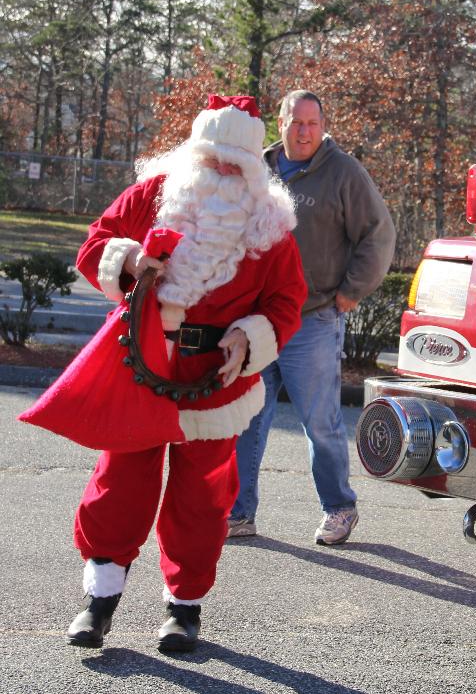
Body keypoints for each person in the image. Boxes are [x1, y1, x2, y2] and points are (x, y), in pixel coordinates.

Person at [47, 95, 306, 652]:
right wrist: (131, 262)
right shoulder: (152, 197)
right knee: (119, 486)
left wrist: (250, 336)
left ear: (252, 168)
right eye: (210, 160)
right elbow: (94, 245)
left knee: (202, 499)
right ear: (193, 156)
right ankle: (99, 602)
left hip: (217, 381)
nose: (218, 174)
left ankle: (183, 610)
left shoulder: (270, 225)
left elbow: (287, 301)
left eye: (231, 164)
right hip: (140, 370)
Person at [229, 89, 395, 545]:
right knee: (246, 420)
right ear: (279, 123)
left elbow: (379, 236)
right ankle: (239, 513)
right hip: (256, 323)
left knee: (320, 422)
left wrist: (348, 294)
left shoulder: (342, 172)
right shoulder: (255, 170)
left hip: (312, 320)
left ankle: (340, 508)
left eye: (312, 123)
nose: (304, 132)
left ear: (323, 126)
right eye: (295, 122)